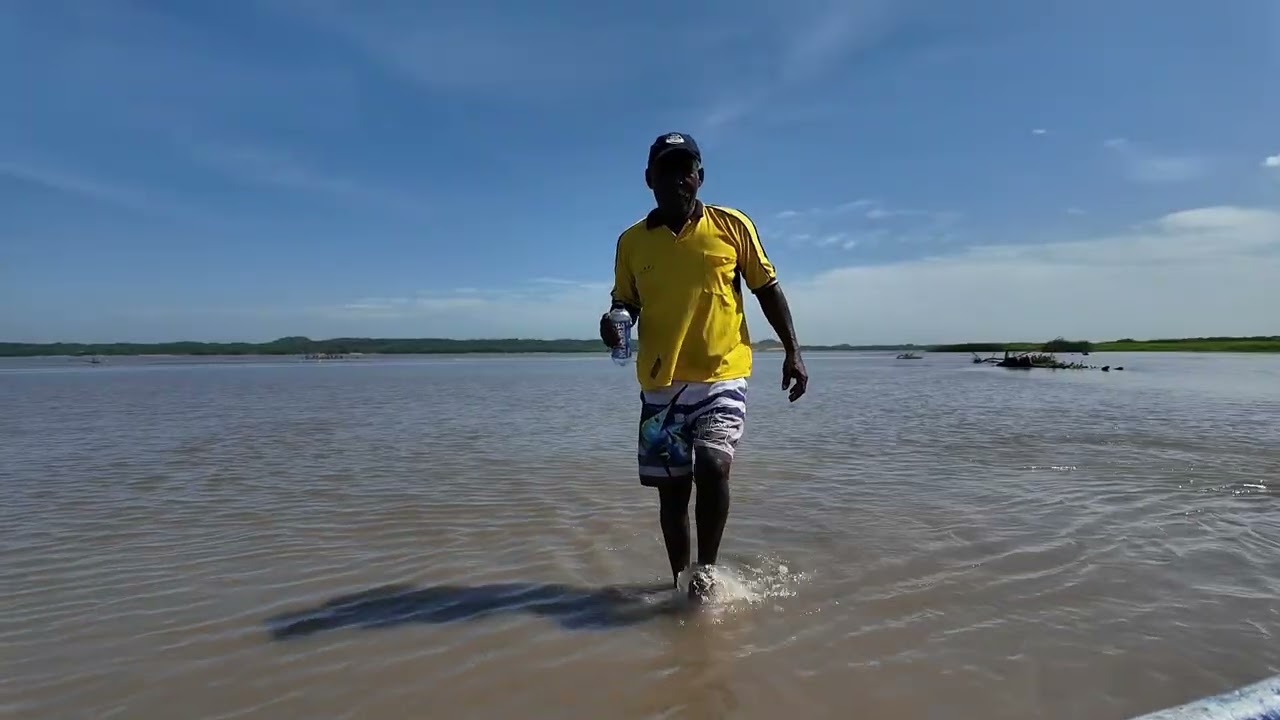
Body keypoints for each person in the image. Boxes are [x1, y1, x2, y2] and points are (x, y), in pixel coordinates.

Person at [599, 131, 809, 600]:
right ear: (648, 179)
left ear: (700, 176)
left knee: (713, 466)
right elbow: (624, 304)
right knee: (672, 494)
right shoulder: (631, 241)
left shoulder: (732, 225)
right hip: (660, 383)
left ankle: (705, 574)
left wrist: (793, 351)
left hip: (723, 373)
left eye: (685, 170)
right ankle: (681, 583)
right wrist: (613, 324)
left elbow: (767, 288)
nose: (677, 180)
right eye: (666, 171)